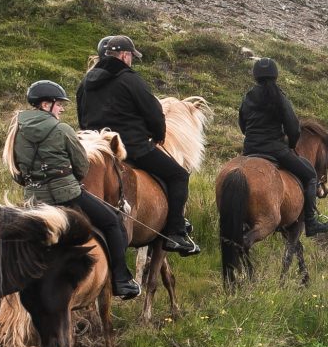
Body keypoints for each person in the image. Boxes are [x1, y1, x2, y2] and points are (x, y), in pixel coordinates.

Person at [14, 80, 139, 299]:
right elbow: (82, 166)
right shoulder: (62, 129)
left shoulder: (17, 131)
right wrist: (68, 180)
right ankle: (121, 280)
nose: (61, 108)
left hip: (34, 200)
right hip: (68, 196)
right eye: (59, 104)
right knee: (112, 223)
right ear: (46, 105)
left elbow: (15, 172)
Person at [77, 33, 197, 254]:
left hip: (97, 149)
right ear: (124, 55)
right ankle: (176, 232)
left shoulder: (86, 82)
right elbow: (153, 113)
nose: (131, 60)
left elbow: (81, 117)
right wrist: (157, 135)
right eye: (131, 56)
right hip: (133, 148)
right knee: (178, 175)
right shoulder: (130, 79)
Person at [237, 57, 328, 237]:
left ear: (255, 76)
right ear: (275, 75)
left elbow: (242, 124)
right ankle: (311, 221)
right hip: (276, 150)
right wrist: (290, 146)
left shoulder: (248, 96)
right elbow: (293, 127)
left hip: (250, 150)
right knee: (311, 175)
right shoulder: (279, 97)